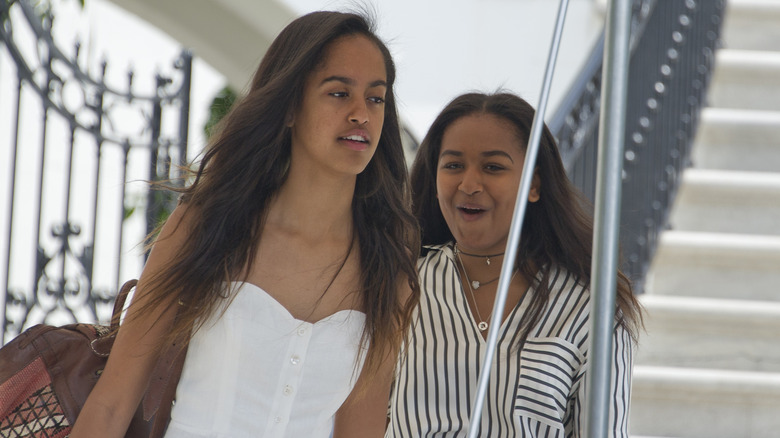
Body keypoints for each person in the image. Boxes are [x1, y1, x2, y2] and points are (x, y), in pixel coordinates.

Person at [70, 10, 420, 438]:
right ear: (290, 107)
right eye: (338, 93)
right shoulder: (210, 224)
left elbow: (360, 429)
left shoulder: (387, 264)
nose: (361, 113)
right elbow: (112, 403)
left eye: (376, 98)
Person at [386, 92, 643, 437]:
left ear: (534, 185)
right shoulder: (398, 286)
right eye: (453, 165)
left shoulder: (591, 312)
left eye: (493, 167)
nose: (469, 184)